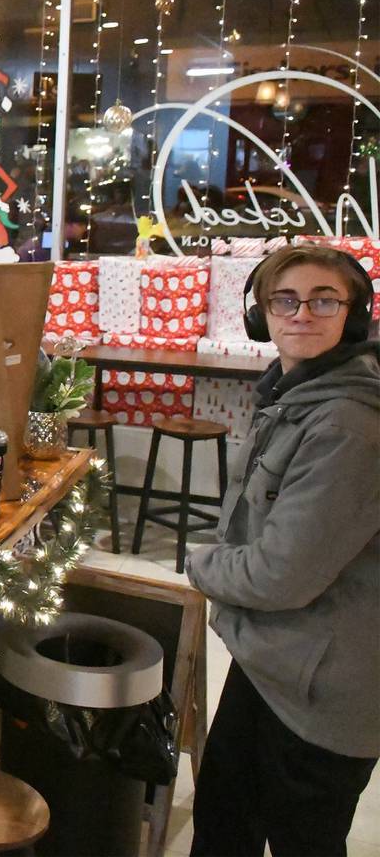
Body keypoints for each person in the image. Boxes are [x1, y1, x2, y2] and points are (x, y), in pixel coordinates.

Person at [187, 245, 378, 857]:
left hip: (320, 686)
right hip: (278, 660)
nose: (302, 314)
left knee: (301, 839)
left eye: (324, 300)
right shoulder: (301, 395)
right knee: (224, 819)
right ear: (259, 314)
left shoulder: (346, 423)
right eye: (284, 300)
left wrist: (199, 562)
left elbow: (278, 575)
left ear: (353, 316)